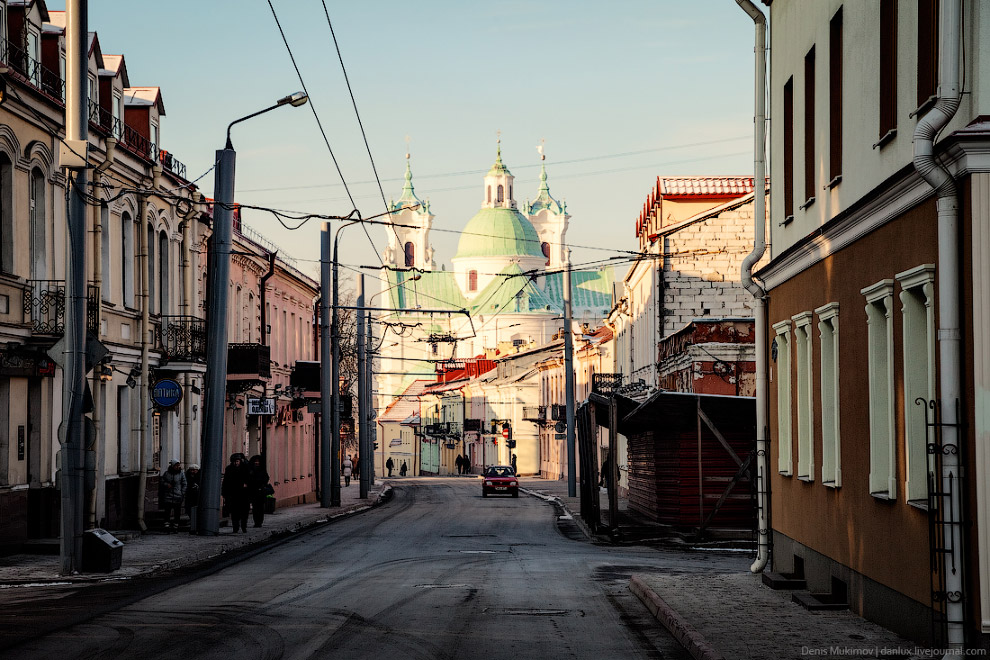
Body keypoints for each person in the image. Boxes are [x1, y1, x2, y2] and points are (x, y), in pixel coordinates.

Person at [222, 453, 250, 533]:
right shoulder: (229, 469)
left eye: (237, 461)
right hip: (233, 494)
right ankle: (235, 527)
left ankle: (244, 526)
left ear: (240, 461)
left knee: (244, 512)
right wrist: (224, 493)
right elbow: (226, 482)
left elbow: (250, 480)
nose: (236, 463)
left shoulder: (245, 468)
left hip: (244, 494)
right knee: (234, 513)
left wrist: (247, 485)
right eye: (234, 461)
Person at [159, 460, 186, 532]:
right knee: (167, 512)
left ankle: (175, 527)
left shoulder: (181, 474)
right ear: (172, 466)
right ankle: (167, 526)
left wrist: (182, 493)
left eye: (178, 465)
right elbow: (162, 481)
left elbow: (184, 484)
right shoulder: (167, 474)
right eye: (176, 465)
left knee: (177, 513)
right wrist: (166, 485)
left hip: (178, 496)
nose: (178, 467)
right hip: (168, 496)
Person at [246, 455, 271, 528]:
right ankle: (256, 522)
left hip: (260, 491)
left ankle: (259, 521)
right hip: (253, 491)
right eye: (255, 461)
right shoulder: (251, 470)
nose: (257, 463)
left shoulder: (262, 470)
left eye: (258, 461)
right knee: (255, 507)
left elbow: (266, 478)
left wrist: (262, 485)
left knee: (260, 507)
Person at [185, 463, 201, 534]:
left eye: (194, 470)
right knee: (189, 509)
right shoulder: (187, 476)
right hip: (189, 496)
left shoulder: (200, 476)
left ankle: (196, 525)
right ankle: (193, 524)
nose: (192, 472)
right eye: (191, 470)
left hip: (198, 496)